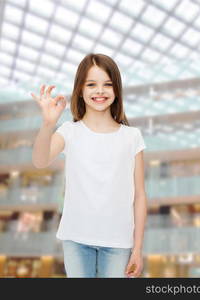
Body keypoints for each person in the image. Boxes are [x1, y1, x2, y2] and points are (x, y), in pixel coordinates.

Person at [31, 53, 147, 278]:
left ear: (117, 90)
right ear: (80, 90)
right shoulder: (69, 131)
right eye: (92, 84)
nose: (100, 91)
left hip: (118, 241)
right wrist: (48, 124)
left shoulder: (132, 136)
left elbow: (140, 195)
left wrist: (138, 248)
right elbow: (40, 161)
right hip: (75, 239)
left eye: (107, 84)